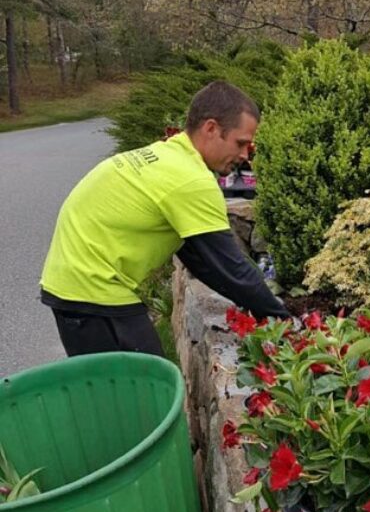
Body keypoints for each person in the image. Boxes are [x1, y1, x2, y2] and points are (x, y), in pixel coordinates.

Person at [40, 80, 289, 357]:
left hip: (71, 283)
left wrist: (254, 304)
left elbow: (203, 260)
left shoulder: (169, 155)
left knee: (119, 392)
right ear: (211, 128)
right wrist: (284, 319)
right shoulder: (191, 179)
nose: (245, 156)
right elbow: (232, 267)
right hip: (92, 291)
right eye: (241, 143)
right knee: (147, 392)